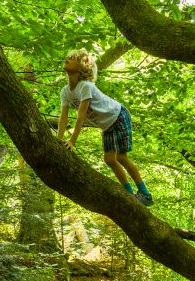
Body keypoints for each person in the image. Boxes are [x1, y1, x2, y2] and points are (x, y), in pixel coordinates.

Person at [57, 49, 154, 206]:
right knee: (109, 160)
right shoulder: (65, 92)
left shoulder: (85, 86)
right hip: (107, 125)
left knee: (121, 157)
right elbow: (63, 118)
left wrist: (72, 141)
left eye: (73, 58)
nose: (67, 59)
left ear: (82, 67)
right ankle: (130, 195)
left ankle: (145, 194)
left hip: (118, 115)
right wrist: (59, 140)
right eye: (68, 57)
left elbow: (81, 116)